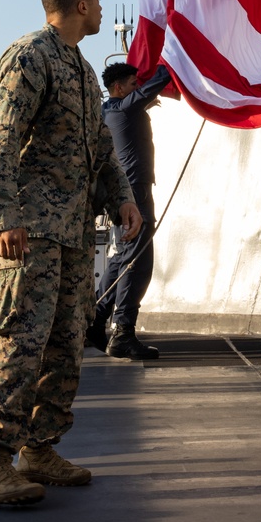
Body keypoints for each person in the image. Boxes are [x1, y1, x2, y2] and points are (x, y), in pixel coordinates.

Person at [0, 0, 141, 508]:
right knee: (20, 340)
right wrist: (2, 217)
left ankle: (39, 449)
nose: (101, 8)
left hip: (71, 233)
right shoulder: (30, 56)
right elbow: (0, 138)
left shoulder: (84, 71)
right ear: (83, 3)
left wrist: (122, 198)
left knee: (66, 343)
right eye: (99, 2)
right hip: (30, 231)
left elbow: (100, 149)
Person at [87, 61, 170, 360]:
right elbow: (159, 79)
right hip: (135, 196)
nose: (138, 87)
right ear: (119, 88)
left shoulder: (109, 111)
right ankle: (123, 332)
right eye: (133, 84)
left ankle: (96, 320)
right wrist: (174, 56)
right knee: (137, 264)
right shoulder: (123, 108)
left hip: (125, 194)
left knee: (121, 258)